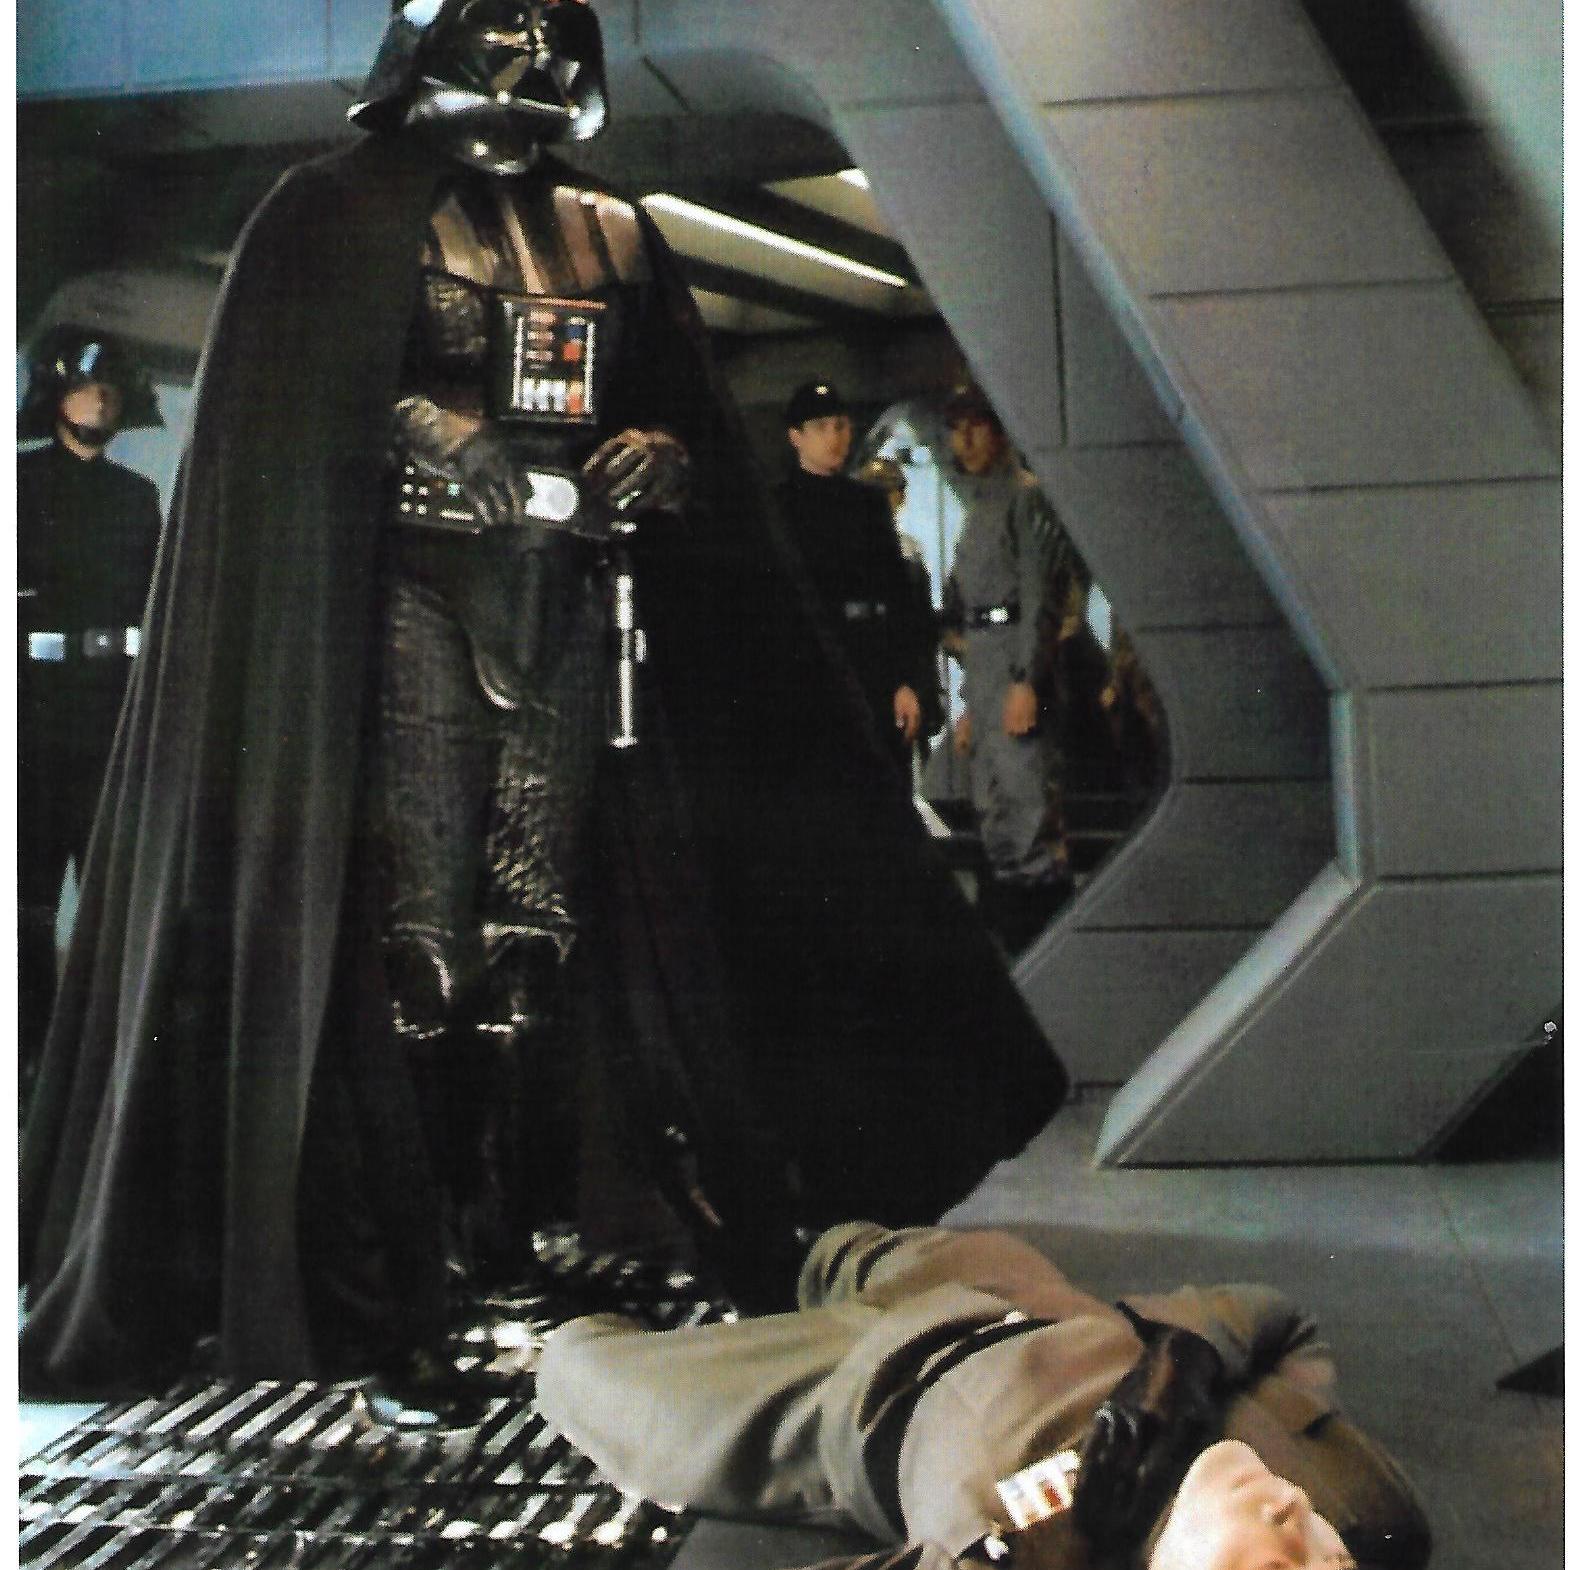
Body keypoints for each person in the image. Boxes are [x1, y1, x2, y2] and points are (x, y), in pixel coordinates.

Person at [20, 0, 1066, 1410]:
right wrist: (420, 425)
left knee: (529, 934)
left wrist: (658, 452)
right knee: (420, 945)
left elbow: (675, 415)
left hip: (570, 598)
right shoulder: (330, 217)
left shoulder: (610, 227)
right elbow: (300, 412)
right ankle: (405, 1279)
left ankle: (495, 1234)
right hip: (404, 604)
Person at [538, 1221, 1432, 1570]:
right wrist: (1175, 1365)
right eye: (1332, 1565)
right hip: (1012, 1290)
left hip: (851, 1394)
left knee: (581, 1377)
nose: (1295, 1518)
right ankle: (786, 1247)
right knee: (828, 1244)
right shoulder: (1363, 1504)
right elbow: (1275, 1317)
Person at [16, 327, 164, 1104]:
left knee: (110, 896)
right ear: (56, 396)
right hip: (31, 717)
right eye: (85, 385)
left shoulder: (137, 499)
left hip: (111, 715)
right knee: (28, 902)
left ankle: (101, 1068)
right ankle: (28, 1057)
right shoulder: (17, 485)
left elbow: (156, 610)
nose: (99, 400)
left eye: (110, 390)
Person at [940, 385, 1088, 953]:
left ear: (999, 431)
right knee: (995, 809)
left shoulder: (1025, 498)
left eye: (976, 426)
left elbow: (1039, 598)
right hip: (986, 662)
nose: (965, 440)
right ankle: (1016, 945)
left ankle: (1045, 943)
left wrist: (1027, 679)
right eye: (956, 429)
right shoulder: (978, 508)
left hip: (1015, 658)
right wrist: (973, 705)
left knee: (1027, 808)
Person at [776, 381, 928, 767]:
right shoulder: (779, 507)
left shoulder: (868, 504)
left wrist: (905, 680)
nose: (835, 437)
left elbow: (897, 595)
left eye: (841, 426)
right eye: (821, 427)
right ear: (796, 436)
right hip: (809, 662)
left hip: (872, 658)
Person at [858, 455, 944, 763]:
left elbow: (921, 630)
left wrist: (926, 693)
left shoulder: (910, 553)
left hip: (907, 689)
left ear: (900, 497)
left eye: (887, 491)